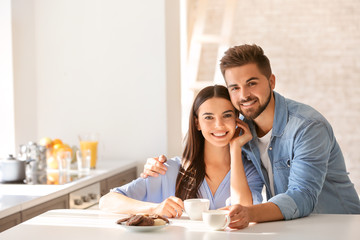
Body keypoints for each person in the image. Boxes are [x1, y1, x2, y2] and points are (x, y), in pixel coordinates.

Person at [141, 44, 360, 229]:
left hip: (339, 227)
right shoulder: (243, 132)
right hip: (294, 228)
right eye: (234, 88)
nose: (244, 95)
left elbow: (302, 196)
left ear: (271, 82)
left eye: (251, 83)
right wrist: (156, 166)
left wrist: (250, 213)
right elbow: (208, 151)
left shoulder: (307, 127)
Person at [99, 85, 262, 220]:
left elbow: (244, 214)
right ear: (197, 123)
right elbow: (107, 201)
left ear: (237, 120)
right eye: (209, 117)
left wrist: (235, 148)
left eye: (227, 115)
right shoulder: (169, 169)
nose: (219, 125)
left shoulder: (249, 172)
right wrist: (155, 208)